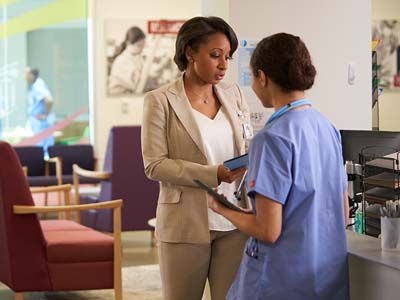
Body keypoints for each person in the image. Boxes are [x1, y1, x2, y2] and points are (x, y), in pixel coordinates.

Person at [208, 33, 350, 299]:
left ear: (262, 77)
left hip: (281, 282)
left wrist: (221, 208)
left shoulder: (271, 139)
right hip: (326, 278)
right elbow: (341, 214)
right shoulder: (328, 129)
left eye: (252, 77)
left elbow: (268, 231)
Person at [141, 16, 252, 300]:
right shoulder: (160, 100)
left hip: (235, 221)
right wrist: (211, 173)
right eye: (215, 55)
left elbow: (248, 143)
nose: (224, 64)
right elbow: (154, 164)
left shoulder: (234, 94)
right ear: (190, 52)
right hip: (184, 223)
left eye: (227, 56)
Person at [108, 26, 146, 94]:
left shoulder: (137, 57)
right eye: (139, 45)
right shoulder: (121, 60)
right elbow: (135, 84)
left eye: (143, 45)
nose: (142, 49)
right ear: (128, 43)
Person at [25, 67, 55, 155]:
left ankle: (45, 169)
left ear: (31, 75)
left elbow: (49, 100)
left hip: (42, 122)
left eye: (26, 74)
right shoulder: (34, 85)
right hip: (38, 122)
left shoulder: (38, 85)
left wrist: (46, 114)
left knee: (44, 151)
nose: (24, 76)